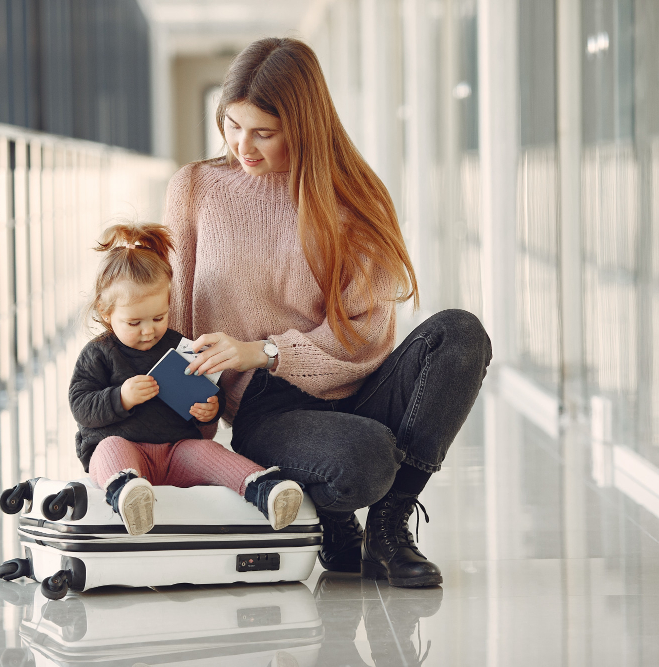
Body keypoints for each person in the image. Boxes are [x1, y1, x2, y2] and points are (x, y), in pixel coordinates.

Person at [165, 37, 492, 587]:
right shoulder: (195, 189)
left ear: (305, 125)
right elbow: (174, 319)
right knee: (365, 461)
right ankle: (337, 516)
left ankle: (389, 527)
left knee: (461, 334)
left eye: (264, 133)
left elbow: (365, 339)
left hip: (356, 383)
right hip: (266, 409)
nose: (243, 145)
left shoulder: (354, 199)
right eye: (232, 124)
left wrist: (266, 350)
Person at [68, 222, 304, 536]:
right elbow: (80, 405)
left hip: (176, 450)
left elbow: (208, 388)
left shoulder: (179, 346)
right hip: (126, 449)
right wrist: (120, 397)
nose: (149, 330)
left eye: (158, 317)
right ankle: (127, 494)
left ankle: (264, 488)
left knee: (208, 452)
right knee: (109, 448)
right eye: (134, 322)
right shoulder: (99, 353)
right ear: (106, 311)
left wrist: (211, 407)